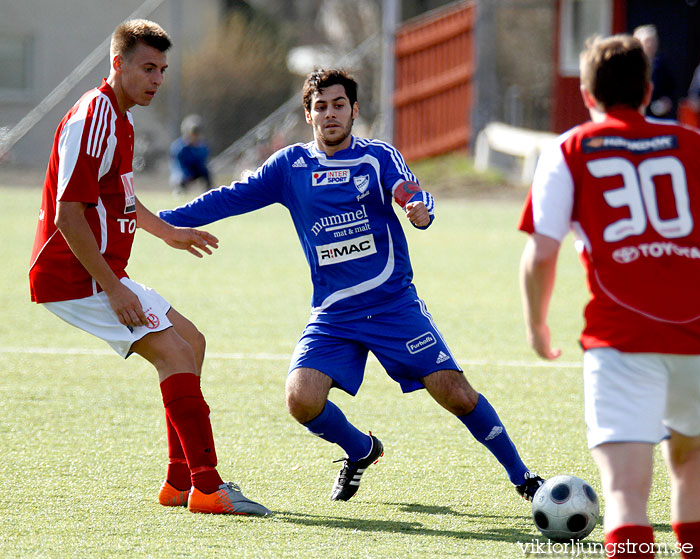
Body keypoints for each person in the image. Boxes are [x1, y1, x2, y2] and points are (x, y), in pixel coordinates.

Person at [159, 68, 544, 503]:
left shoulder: (376, 156)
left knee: (454, 392)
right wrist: (161, 222)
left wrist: (418, 208)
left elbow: (409, 188)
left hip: (393, 305)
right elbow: (227, 197)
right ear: (308, 115)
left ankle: (524, 479)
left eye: (339, 105)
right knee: (301, 400)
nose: (330, 114)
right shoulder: (290, 167)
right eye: (320, 107)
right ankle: (361, 450)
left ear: (354, 110)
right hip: (334, 313)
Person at [28, 19, 270, 517]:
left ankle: (179, 482)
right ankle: (208, 486)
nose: (156, 79)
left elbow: (123, 200)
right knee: (175, 355)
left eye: (161, 69)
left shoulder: (122, 118)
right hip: (74, 276)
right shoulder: (93, 116)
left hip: (100, 272)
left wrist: (170, 234)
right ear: (117, 64)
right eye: (146, 67)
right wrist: (115, 288)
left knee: (192, 342)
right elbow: (68, 215)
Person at [519, 34, 700, 558]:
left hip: (620, 340)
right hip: (694, 337)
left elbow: (541, 254)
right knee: (690, 477)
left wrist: (537, 324)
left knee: (625, 492)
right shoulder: (691, 144)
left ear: (587, 93)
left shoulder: (569, 149)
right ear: (648, 90)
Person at [633, 24, 676, 120]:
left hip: (657, 117)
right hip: (635, 117)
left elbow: (671, 90)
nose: (651, 44)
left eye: (653, 41)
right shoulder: (629, 66)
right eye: (647, 41)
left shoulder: (662, 66)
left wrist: (667, 101)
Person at [169, 114, 212, 195]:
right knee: (181, 177)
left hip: (195, 171)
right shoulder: (178, 147)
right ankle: (180, 190)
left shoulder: (202, 146)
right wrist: (187, 175)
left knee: (206, 172)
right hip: (182, 172)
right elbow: (177, 165)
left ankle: (209, 192)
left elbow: (202, 163)